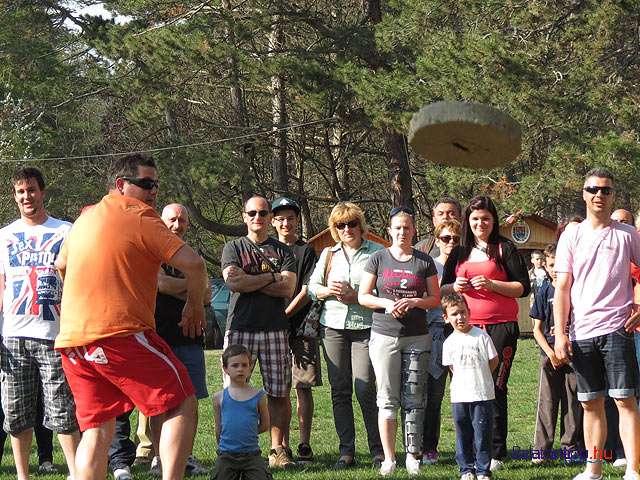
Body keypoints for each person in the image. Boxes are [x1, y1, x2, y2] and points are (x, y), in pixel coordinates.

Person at [54, 154, 208, 480]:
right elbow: (195, 265)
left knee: (97, 431)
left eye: (157, 184)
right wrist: (194, 306)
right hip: (119, 333)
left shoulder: (85, 219)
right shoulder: (140, 215)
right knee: (182, 402)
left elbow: (61, 266)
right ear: (121, 185)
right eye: (147, 184)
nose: (154, 192)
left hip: (73, 342)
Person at [554, 168, 640, 480]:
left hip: (618, 329)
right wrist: (560, 335)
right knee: (591, 404)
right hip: (582, 332)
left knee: (624, 400)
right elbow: (562, 288)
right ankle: (594, 470)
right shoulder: (571, 235)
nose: (599, 195)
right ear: (584, 193)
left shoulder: (627, 234)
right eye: (593, 189)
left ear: (614, 194)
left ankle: (632, 470)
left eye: (606, 190)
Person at [0, 166, 81, 480]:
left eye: (31, 190)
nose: (26, 197)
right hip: (14, 335)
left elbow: (76, 281)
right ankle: (23, 476)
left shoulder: (65, 230)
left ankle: (77, 472)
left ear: (43, 192)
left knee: (63, 410)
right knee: (17, 413)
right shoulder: (5, 235)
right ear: (15, 196)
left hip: (54, 334)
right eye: (20, 192)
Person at [441, 195, 530, 471]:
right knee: (467, 386)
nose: (481, 223)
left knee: (495, 386)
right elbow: (442, 290)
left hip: (501, 326)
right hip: (465, 329)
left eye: (486, 218)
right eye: (476, 218)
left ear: (494, 221)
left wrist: (492, 284)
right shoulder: (459, 251)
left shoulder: (505, 247)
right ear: (468, 220)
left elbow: (522, 287)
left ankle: (494, 451)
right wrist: (457, 287)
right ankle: (470, 450)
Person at [359, 206, 440, 476]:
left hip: (417, 337)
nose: (402, 232)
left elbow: (435, 299)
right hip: (384, 336)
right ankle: (389, 458)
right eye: (397, 227)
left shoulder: (424, 261)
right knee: (387, 398)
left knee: (416, 397)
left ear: (414, 230)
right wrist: (385, 303)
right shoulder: (377, 259)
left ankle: (412, 456)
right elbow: (363, 296)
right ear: (390, 231)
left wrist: (415, 301)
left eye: (407, 227)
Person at [221, 195, 297, 469]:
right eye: (251, 213)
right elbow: (233, 282)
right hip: (241, 328)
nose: (257, 217)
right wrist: (270, 277)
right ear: (244, 216)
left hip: (275, 329)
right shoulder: (233, 247)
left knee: (278, 392)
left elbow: (288, 289)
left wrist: (249, 280)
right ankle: (235, 449)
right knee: (235, 391)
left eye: (263, 213)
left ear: (270, 218)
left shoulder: (284, 251)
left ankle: (278, 450)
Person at [307, 201, 384, 469]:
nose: (347, 229)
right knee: (340, 391)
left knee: (364, 388)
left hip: (366, 328)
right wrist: (331, 291)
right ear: (334, 229)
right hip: (333, 328)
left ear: (361, 225)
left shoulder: (377, 252)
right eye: (340, 225)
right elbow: (312, 287)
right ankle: (346, 452)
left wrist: (356, 296)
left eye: (352, 223)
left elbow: (385, 291)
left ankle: (378, 451)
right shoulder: (329, 254)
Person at [146, 203, 211, 477]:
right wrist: (193, 285)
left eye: (182, 220)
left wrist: (190, 288)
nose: (177, 224)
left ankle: (187, 455)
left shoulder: (193, 256)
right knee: (158, 401)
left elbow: (207, 297)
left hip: (191, 337)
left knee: (191, 399)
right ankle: (160, 457)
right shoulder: (153, 254)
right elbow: (161, 285)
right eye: (172, 219)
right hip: (159, 337)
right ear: (162, 221)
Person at [270, 197, 321, 463]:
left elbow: (306, 289)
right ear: (273, 221)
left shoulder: (306, 250)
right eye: (280, 218)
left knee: (303, 386)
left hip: (302, 327)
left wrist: (285, 314)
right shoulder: (267, 249)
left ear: (297, 220)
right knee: (280, 388)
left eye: (290, 218)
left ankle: (304, 444)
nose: (285, 223)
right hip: (273, 329)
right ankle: (282, 446)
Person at [530, 243, 583, 464]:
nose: (555, 269)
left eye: (559, 265)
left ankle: (570, 447)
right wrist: (550, 352)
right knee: (547, 401)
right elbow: (536, 329)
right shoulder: (543, 292)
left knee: (573, 402)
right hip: (549, 353)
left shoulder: (576, 290)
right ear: (545, 264)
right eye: (551, 265)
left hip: (573, 354)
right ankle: (541, 451)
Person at [441, 292, 498, 480]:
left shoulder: (481, 336)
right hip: (460, 396)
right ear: (446, 318)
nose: (460, 317)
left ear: (469, 312)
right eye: (455, 314)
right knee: (463, 434)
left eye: (463, 312)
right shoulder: (449, 342)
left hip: (482, 394)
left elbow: (493, 360)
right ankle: (466, 469)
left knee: (482, 434)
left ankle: (483, 470)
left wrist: (481, 377)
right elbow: (452, 367)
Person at [422, 219, 461, 466]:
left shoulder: (466, 266)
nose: (451, 243)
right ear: (437, 241)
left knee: (466, 392)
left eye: (456, 239)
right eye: (446, 239)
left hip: (463, 333)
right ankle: (428, 447)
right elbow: (428, 300)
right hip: (436, 333)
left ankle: (467, 447)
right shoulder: (430, 267)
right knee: (433, 396)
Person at [211, 344, 272, 480]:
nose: (240, 369)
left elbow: (265, 425)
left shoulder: (259, 396)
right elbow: (218, 429)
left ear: (250, 368)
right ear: (225, 368)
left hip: (252, 454)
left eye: (245, 365)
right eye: (235, 365)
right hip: (226, 455)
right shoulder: (219, 397)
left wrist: (246, 433)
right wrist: (222, 449)